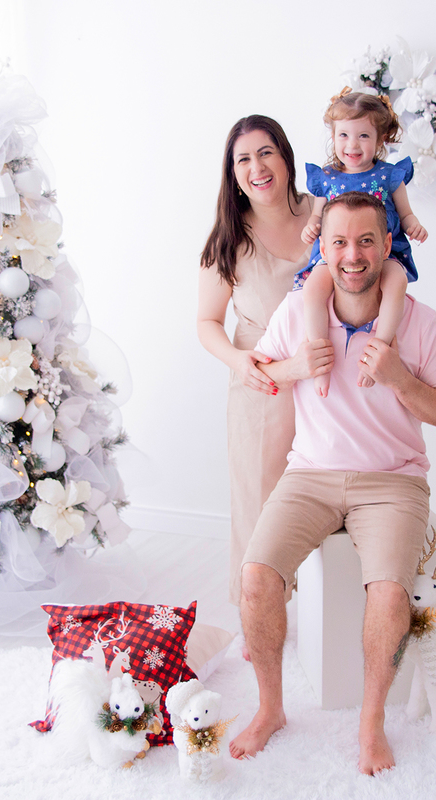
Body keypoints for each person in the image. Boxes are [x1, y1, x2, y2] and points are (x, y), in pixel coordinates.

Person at [228, 192, 436, 775]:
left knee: (387, 592)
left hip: (393, 482)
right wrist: (297, 367)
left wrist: (397, 376)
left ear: (387, 246)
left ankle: (371, 721)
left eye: (365, 241)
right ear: (322, 249)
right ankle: (270, 709)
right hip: (309, 474)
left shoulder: (421, 321)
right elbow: (258, 373)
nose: (352, 255)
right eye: (338, 242)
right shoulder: (296, 312)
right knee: (256, 577)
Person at [198, 115, 316, 605]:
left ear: (285, 157)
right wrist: (239, 361)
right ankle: (258, 608)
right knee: (259, 501)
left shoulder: (323, 211)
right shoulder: (228, 237)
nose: (257, 167)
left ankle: (320, 602)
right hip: (262, 382)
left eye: (265, 152)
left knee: (321, 497)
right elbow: (207, 322)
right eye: (242, 159)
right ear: (233, 174)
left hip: (327, 374)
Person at [299, 90, 429, 398]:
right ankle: (319, 360)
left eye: (363, 136)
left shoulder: (388, 175)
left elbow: (406, 214)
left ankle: (379, 349)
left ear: (381, 138)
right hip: (335, 255)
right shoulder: (327, 177)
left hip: (385, 251)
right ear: (333, 136)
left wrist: (414, 226)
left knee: (396, 283)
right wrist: (311, 227)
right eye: (343, 135)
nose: (352, 145)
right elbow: (317, 217)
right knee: (312, 289)